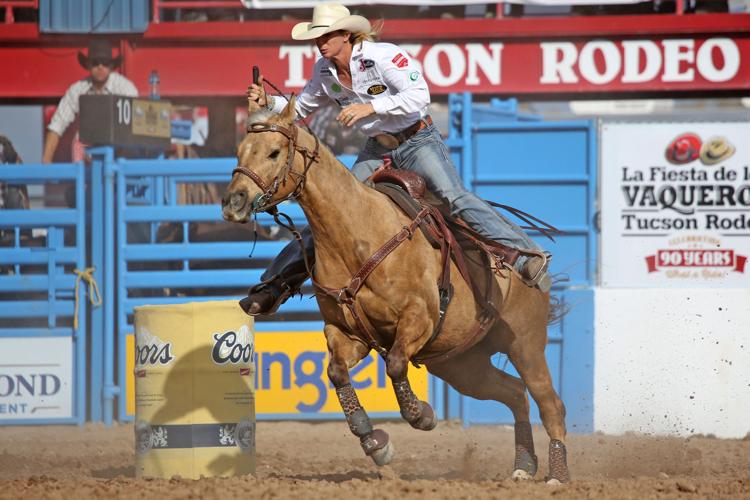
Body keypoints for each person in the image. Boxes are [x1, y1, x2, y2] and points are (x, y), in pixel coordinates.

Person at [242, 2, 550, 315]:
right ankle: (276, 284)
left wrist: (371, 108)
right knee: (332, 208)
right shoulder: (323, 72)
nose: (321, 43)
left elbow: (420, 96)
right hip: (378, 146)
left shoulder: (383, 56)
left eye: (327, 35)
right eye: (317, 37)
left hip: (417, 140)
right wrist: (268, 102)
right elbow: (302, 106)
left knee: (454, 198)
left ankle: (526, 255)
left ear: (347, 35)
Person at [42, 39, 138, 164]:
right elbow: (57, 125)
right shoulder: (77, 90)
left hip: (120, 154)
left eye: (105, 63)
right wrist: (46, 161)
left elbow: (136, 124)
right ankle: (84, 178)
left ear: (111, 66)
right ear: (88, 65)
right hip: (87, 155)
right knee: (79, 141)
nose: (100, 67)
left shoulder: (125, 88)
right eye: (95, 63)